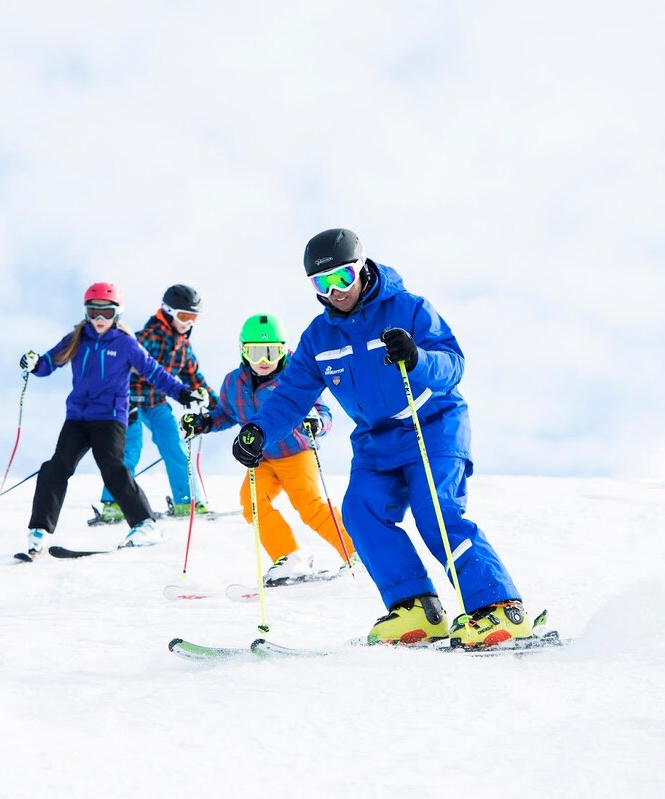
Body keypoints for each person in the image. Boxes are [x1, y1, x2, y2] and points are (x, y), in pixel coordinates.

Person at [229, 228, 535, 649]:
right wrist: (258, 432)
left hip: (431, 423)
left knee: (435, 512)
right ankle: (416, 608)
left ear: (362, 269)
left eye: (343, 277)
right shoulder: (319, 337)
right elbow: (292, 396)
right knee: (359, 511)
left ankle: (499, 609)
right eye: (323, 283)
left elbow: (453, 364)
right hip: (377, 437)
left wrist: (417, 357)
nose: (335, 291)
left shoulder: (408, 309)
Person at [19, 282, 207, 558]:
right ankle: (39, 531)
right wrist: (34, 363)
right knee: (56, 467)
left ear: (116, 314)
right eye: (93, 312)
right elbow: (49, 362)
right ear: (85, 312)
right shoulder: (76, 338)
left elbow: (155, 374)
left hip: (110, 418)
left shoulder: (125, 343)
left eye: (106, 313)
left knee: (112, 467)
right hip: (77, 418)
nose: (99, 320)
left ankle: (145, 524)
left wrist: (184, 394)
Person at [181, 313, 356, 586]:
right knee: (251, 503)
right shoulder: (233, 382)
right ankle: (290, 557)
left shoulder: (296, 377)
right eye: (256, 352)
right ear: (243, 351)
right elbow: (225, 414)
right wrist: (204, 422)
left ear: (284, 350)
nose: (264, 361)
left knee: (310, 506)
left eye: (271, 352)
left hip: (296, 453)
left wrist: (318, 422)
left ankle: (357, 552)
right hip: (261, 459)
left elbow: (324, 412)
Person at [98, 284, 218, 521]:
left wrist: (220, 406)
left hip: (156, 403)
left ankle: (186, 501)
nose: (189, 324)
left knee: (175, 446)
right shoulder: (148, 338)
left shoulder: (183, 347)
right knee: (129, 449)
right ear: (168, 311)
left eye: (193, 318)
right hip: (129, 401)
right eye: (184, 317)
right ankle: (113, 503)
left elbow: (195, 379)